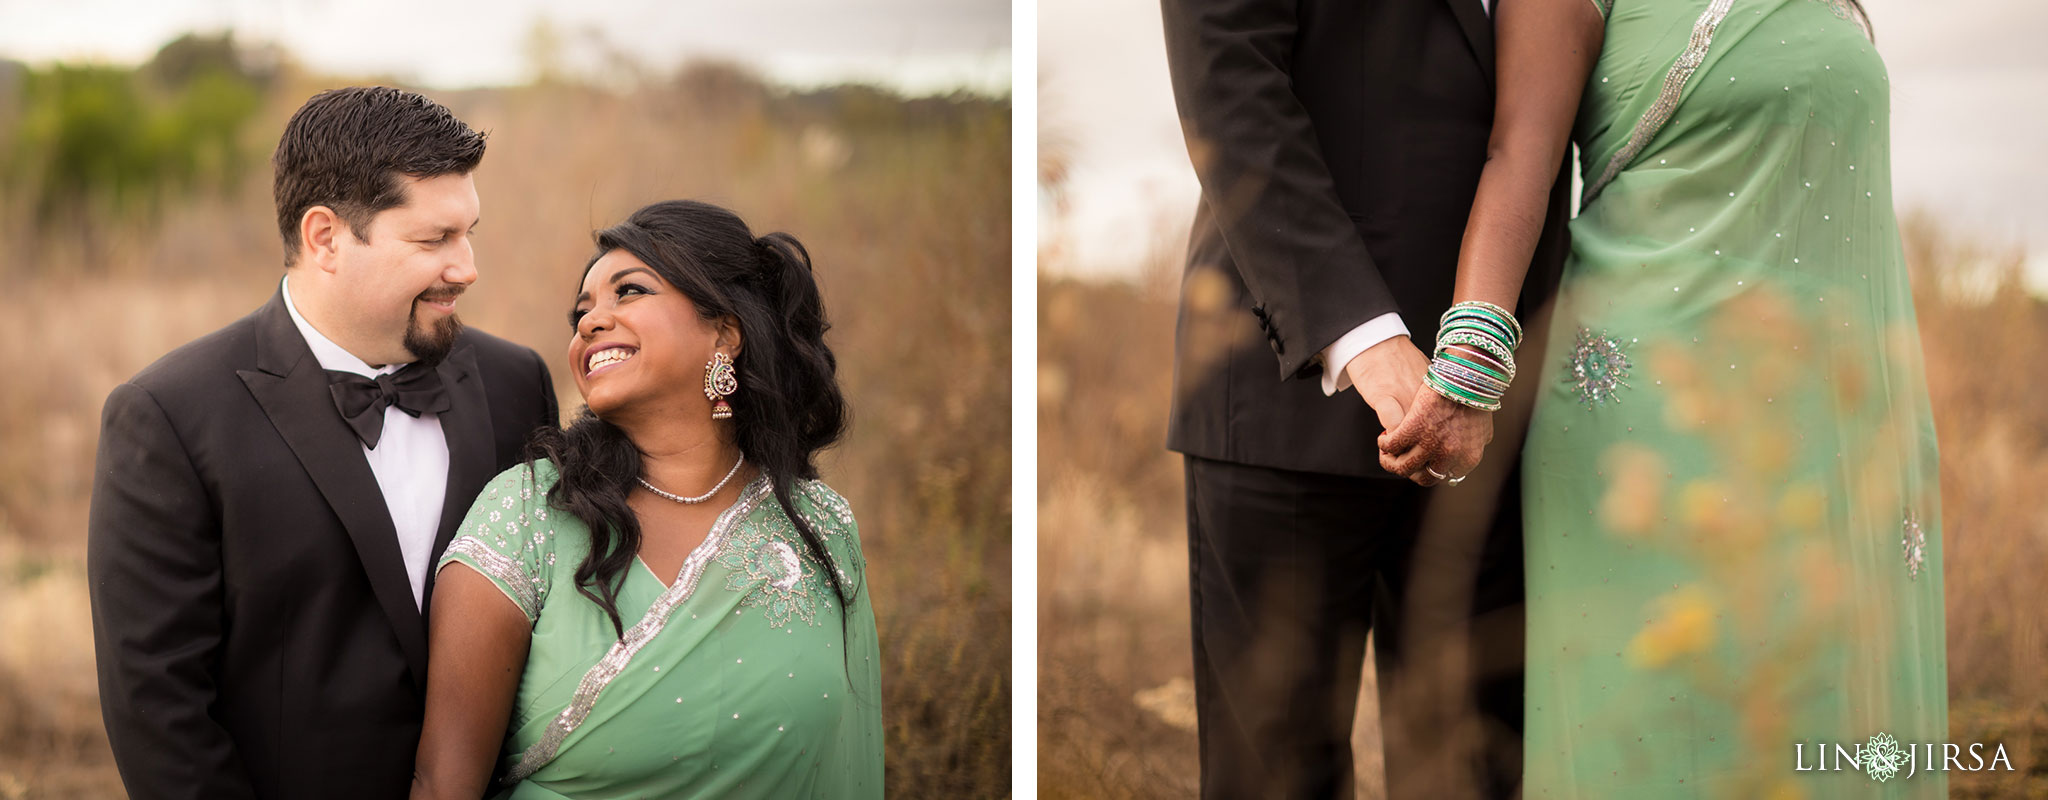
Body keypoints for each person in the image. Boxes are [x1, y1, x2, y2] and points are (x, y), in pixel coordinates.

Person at [1378, 0, 1946, 795]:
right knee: (1671, 725)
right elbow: (1518, 157)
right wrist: (1468, 369)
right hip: (1652, 428)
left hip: (1839, 428)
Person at [86, 86, 560, 799]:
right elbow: (159, 707)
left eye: (469, 233)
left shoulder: (515, 381)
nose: (466, 268)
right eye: (434, 241)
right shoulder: (169, 416)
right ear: (325, 238)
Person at [1158, 0, 1574, 795]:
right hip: (1284, 394)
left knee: (1473, 770)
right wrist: (1365, 338)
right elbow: (1229, 82)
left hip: (1506, 412)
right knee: (1278, 774)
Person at [409, 200, 883, 799]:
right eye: (581, 312)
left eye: (628, 292)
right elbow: (442, 783)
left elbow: (851, 767)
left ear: (724, 332)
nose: (590, 322)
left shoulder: (820, 526)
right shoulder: (528, 512)